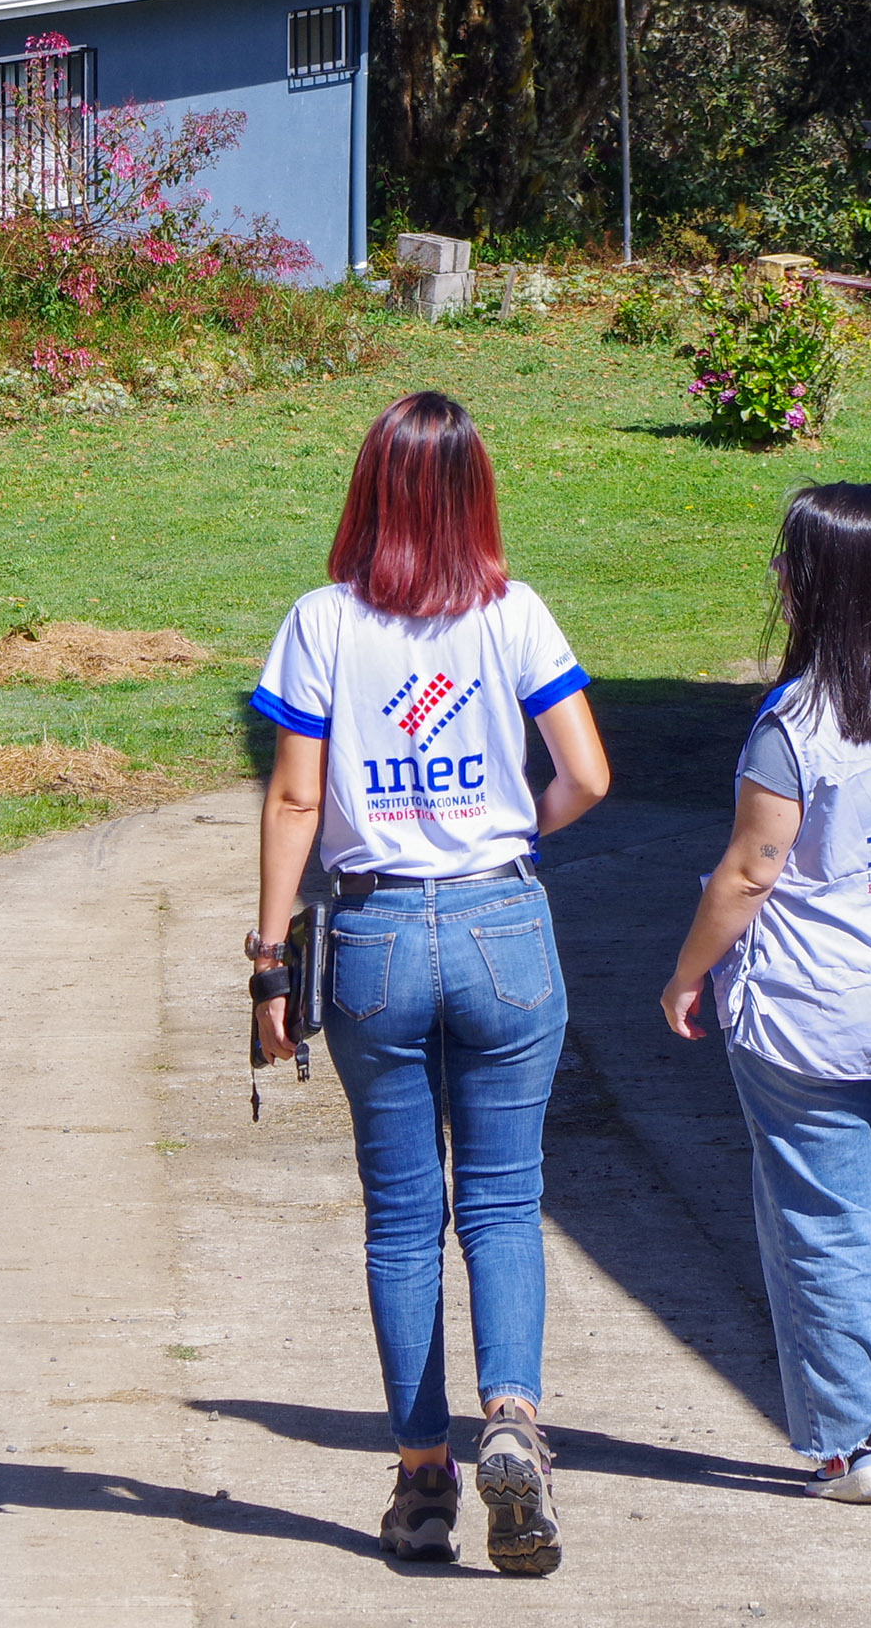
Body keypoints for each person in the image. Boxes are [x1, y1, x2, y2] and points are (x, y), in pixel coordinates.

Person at [251, 391, 612, 1574]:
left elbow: (298, 797)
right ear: (476, 498)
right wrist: (516, 839)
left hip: (378, 936)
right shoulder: (516, 615)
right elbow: (589, 774)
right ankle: (513, 1416)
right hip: (507, 921)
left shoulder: (320, 622)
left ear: (370, 491)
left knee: (405, 1217)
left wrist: (268, 960)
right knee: (507, 1201)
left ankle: (420, 1481)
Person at [657, 482, 871, 1505]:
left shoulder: (797, 722)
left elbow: (748, 874)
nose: (775, 574)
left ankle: (862, 1443)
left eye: (787, 561)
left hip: (817, 1023)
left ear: (818, 586)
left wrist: (686, 973)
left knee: (826, 1226)